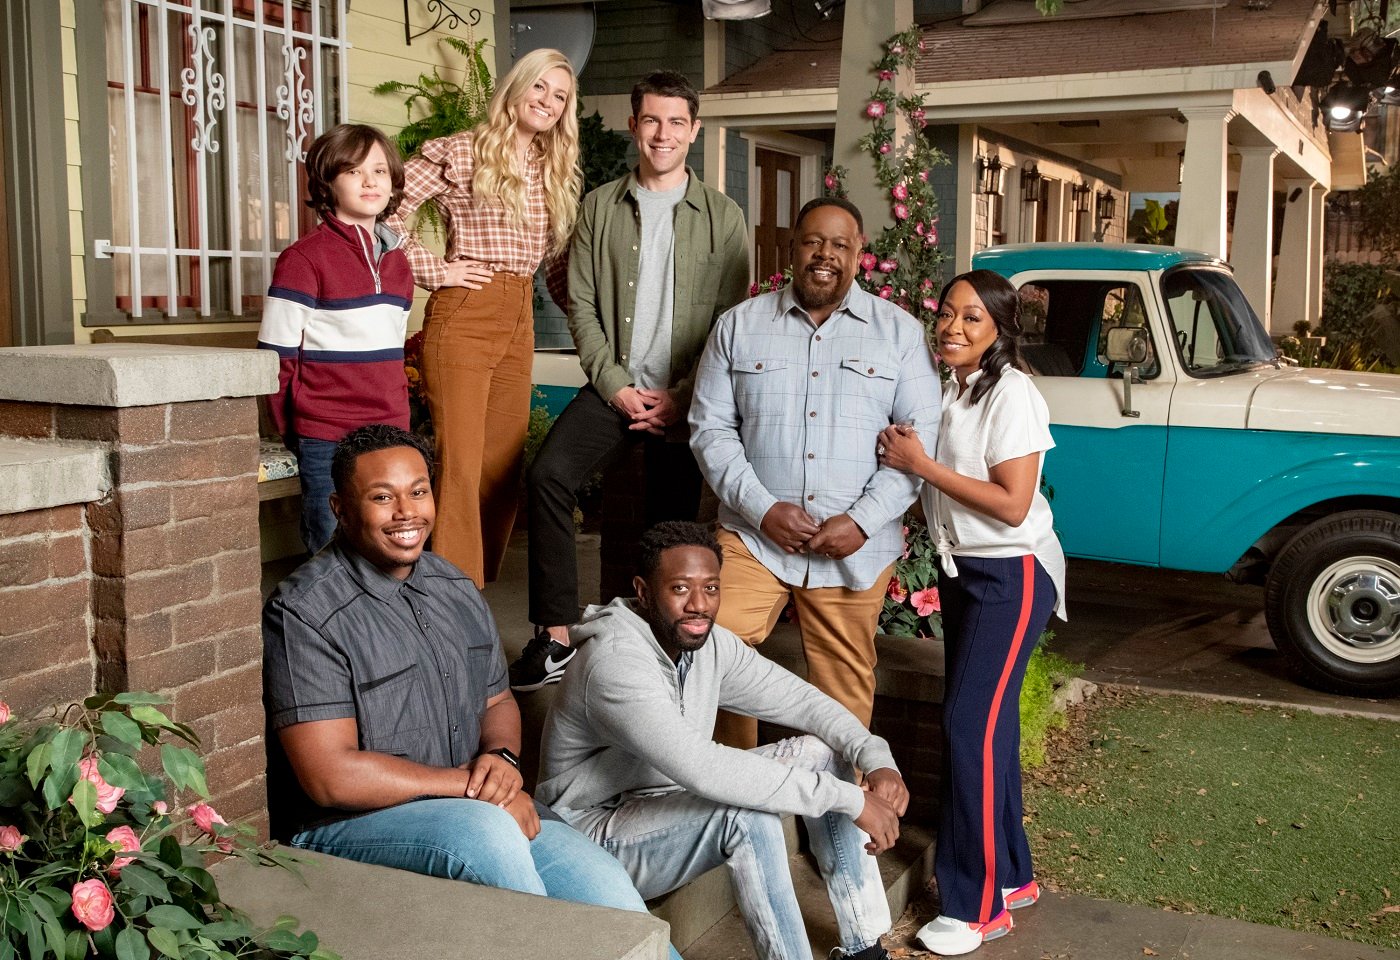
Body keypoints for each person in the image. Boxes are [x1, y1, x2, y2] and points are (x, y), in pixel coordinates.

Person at [261, 424, 673, 948]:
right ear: (340, 508)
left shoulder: (454, 587)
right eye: (381, 497)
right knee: (487, 839)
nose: (406, 512)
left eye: (418, 491)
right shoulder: (305, 612)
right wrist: (479, 792)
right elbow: (330, 777)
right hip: (347, 826)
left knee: (609, 892)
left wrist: (502, 760)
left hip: (474, 808)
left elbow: (498, 701)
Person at [537, 521, 909, 960]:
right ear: (643, 590)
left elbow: (804, 702)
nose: (699, 605)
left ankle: (865, 948)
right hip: (593, 831)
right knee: (746, 817)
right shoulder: (616, 663)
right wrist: (851, 800)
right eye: (680, 588)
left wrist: (877, 757)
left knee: (821, 751)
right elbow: (704, 767)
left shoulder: (707, 645)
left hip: (668, 800)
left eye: (711, 588)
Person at [512, 70, 750, 692]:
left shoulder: (724, 218)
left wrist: (683, 398)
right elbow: (581, 305)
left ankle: (667, 660)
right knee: (547, 477)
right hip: (613, 387)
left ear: (694, 131)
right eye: (651, 120)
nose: (662, 134)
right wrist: (615, 384)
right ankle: (556, 635)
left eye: (676, 122)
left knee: (669, 528)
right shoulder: (600, 206)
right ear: (633, 125)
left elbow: (730, 324)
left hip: (683, 397)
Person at [688, 196, 941, 748]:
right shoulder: (738, 326)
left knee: (844, 691)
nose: (824, 255)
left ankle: (840, 818)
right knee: (713, 645)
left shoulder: (898, 334)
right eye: (812, 241)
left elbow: (920, 443)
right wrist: (762, 508)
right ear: (791, 247)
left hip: (855, 548)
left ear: (859, 257)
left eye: (840, 245)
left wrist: (862, 521)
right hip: (755, 541)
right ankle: (736, 796)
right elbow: (710, 430)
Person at [875, 270, 1066, 956]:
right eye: (948, 314)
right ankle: (1011, 875)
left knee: (966, 725)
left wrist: (921, 465)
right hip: (966, 572)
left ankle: (977, 907)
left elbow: (1013, 503)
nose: (953, 327)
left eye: (972, 320)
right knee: (988, 723)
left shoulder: (1013, 392)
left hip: (1010, 575)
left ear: (1000, 331)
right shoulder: (951, 385)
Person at [385, 48, 582, 587]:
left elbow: (558, 265)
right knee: (463, 462)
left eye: (560, 96)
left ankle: (473, 589)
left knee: (500, 467)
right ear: (516, 87)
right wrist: (435, 270)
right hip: (467, 313)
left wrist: (587, 331)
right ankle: (449, 591)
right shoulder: (463, 150)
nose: (548, 102)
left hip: (520, 316)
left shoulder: (552, 166)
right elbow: (387, 212)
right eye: (539, 87)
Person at [257, 124, 414, 554]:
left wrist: (400, 417)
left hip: (390, 429)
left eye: (381, 171)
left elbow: (393, 354)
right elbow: (276, 358)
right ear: (328, 181)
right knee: (330, 544)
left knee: (390, 542)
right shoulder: (304, 259)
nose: (370, 181)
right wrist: (296, 428)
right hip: (327, 435)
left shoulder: (399, 264)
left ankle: (383, 623)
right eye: (355, 171)